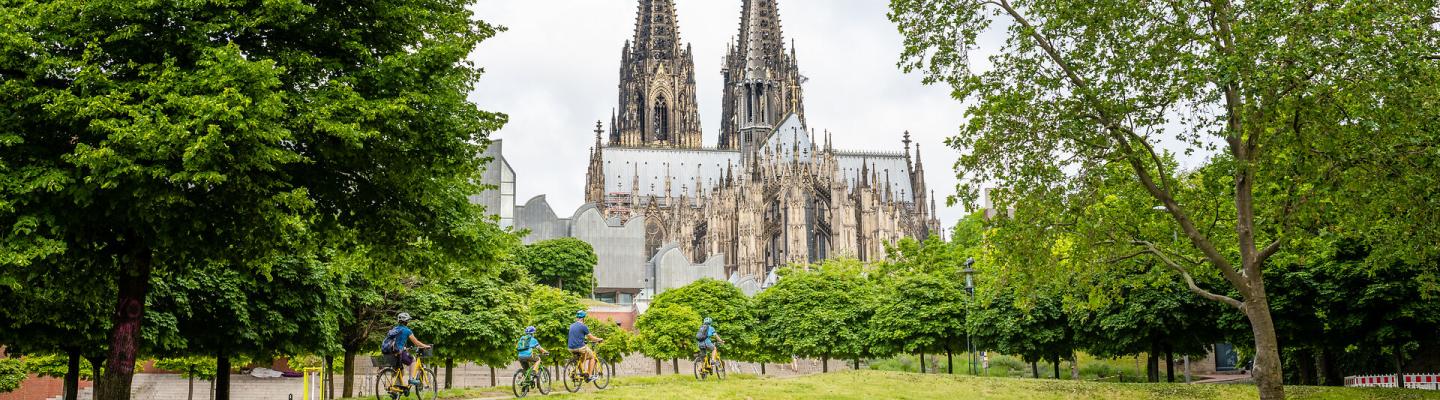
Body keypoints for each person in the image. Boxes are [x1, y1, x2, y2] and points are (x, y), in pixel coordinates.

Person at [382, 312, 432, 387]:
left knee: (400, 371)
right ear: (406, 321)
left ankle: (395, 391)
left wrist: (404, 348)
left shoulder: (394, 329)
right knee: (413, 360)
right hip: (398, 352)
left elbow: (395, 342)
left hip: (389, 352)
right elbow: (417, 343)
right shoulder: (407, 330)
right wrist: (426, 346)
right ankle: (411, 379)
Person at [567, 310, 603, 380]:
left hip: (570, 348)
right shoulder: (583, 326)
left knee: (580, 359)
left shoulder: (571, 325)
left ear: (577, 317)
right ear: (583, 318)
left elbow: (576, 336)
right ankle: (589, 376)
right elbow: (591, 338)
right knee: (592, 356)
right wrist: (599, 339)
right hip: (579, 348)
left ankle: (582, 373)